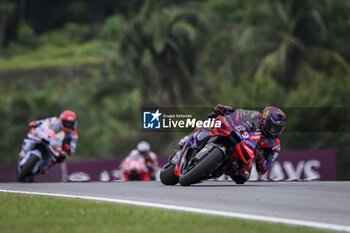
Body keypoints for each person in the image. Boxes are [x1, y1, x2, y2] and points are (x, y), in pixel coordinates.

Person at [178, 104, 286, 184]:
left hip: (246, 154)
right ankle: (192, 138)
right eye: (271, 126)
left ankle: (204, 172)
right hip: (236, 136)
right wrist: (226, 109)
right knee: (212, 120)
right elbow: (238, 113)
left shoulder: (275, 145)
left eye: (277, 128)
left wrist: (259, 157)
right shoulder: (255, 116)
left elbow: (264, 169)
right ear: (264, 119)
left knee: (242, 177)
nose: (273, 130)